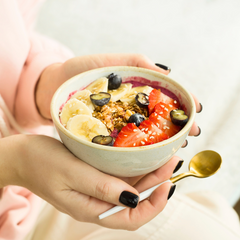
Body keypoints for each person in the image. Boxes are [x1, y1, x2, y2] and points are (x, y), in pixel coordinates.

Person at [0, 1, 240, 240]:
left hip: (42, 181)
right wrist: (14, 163)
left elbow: (13, 40)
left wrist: (42, 85)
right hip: (32, 171)